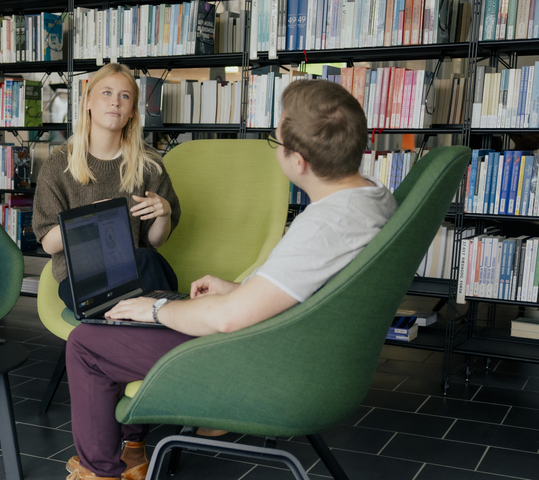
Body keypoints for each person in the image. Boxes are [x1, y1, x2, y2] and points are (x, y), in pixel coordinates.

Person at [62, 79, 400, 480]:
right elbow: (307, 291)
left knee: (87, 344)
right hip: (289, 340)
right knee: (139, 313)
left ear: (299, 162)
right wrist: (241, 289)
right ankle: (131, 449)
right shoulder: (373, 198)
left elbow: (227, 320)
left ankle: (100, 473)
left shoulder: (328, 223)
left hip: (260, 361)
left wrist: (156, 309)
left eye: (278, 144)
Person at [33, 63, 181, 312]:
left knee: (147, 259)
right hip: (79, 278)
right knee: (149, 278)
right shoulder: (59, 164)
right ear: (88, 102)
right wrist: (90, 218)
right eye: (107, 93)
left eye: (125, 96)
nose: (116, 102)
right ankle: (167, 323)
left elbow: (154, 241)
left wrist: (164, 213)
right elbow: (49, 243)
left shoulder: (149, 165)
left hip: (135, 272)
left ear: (133, 111)